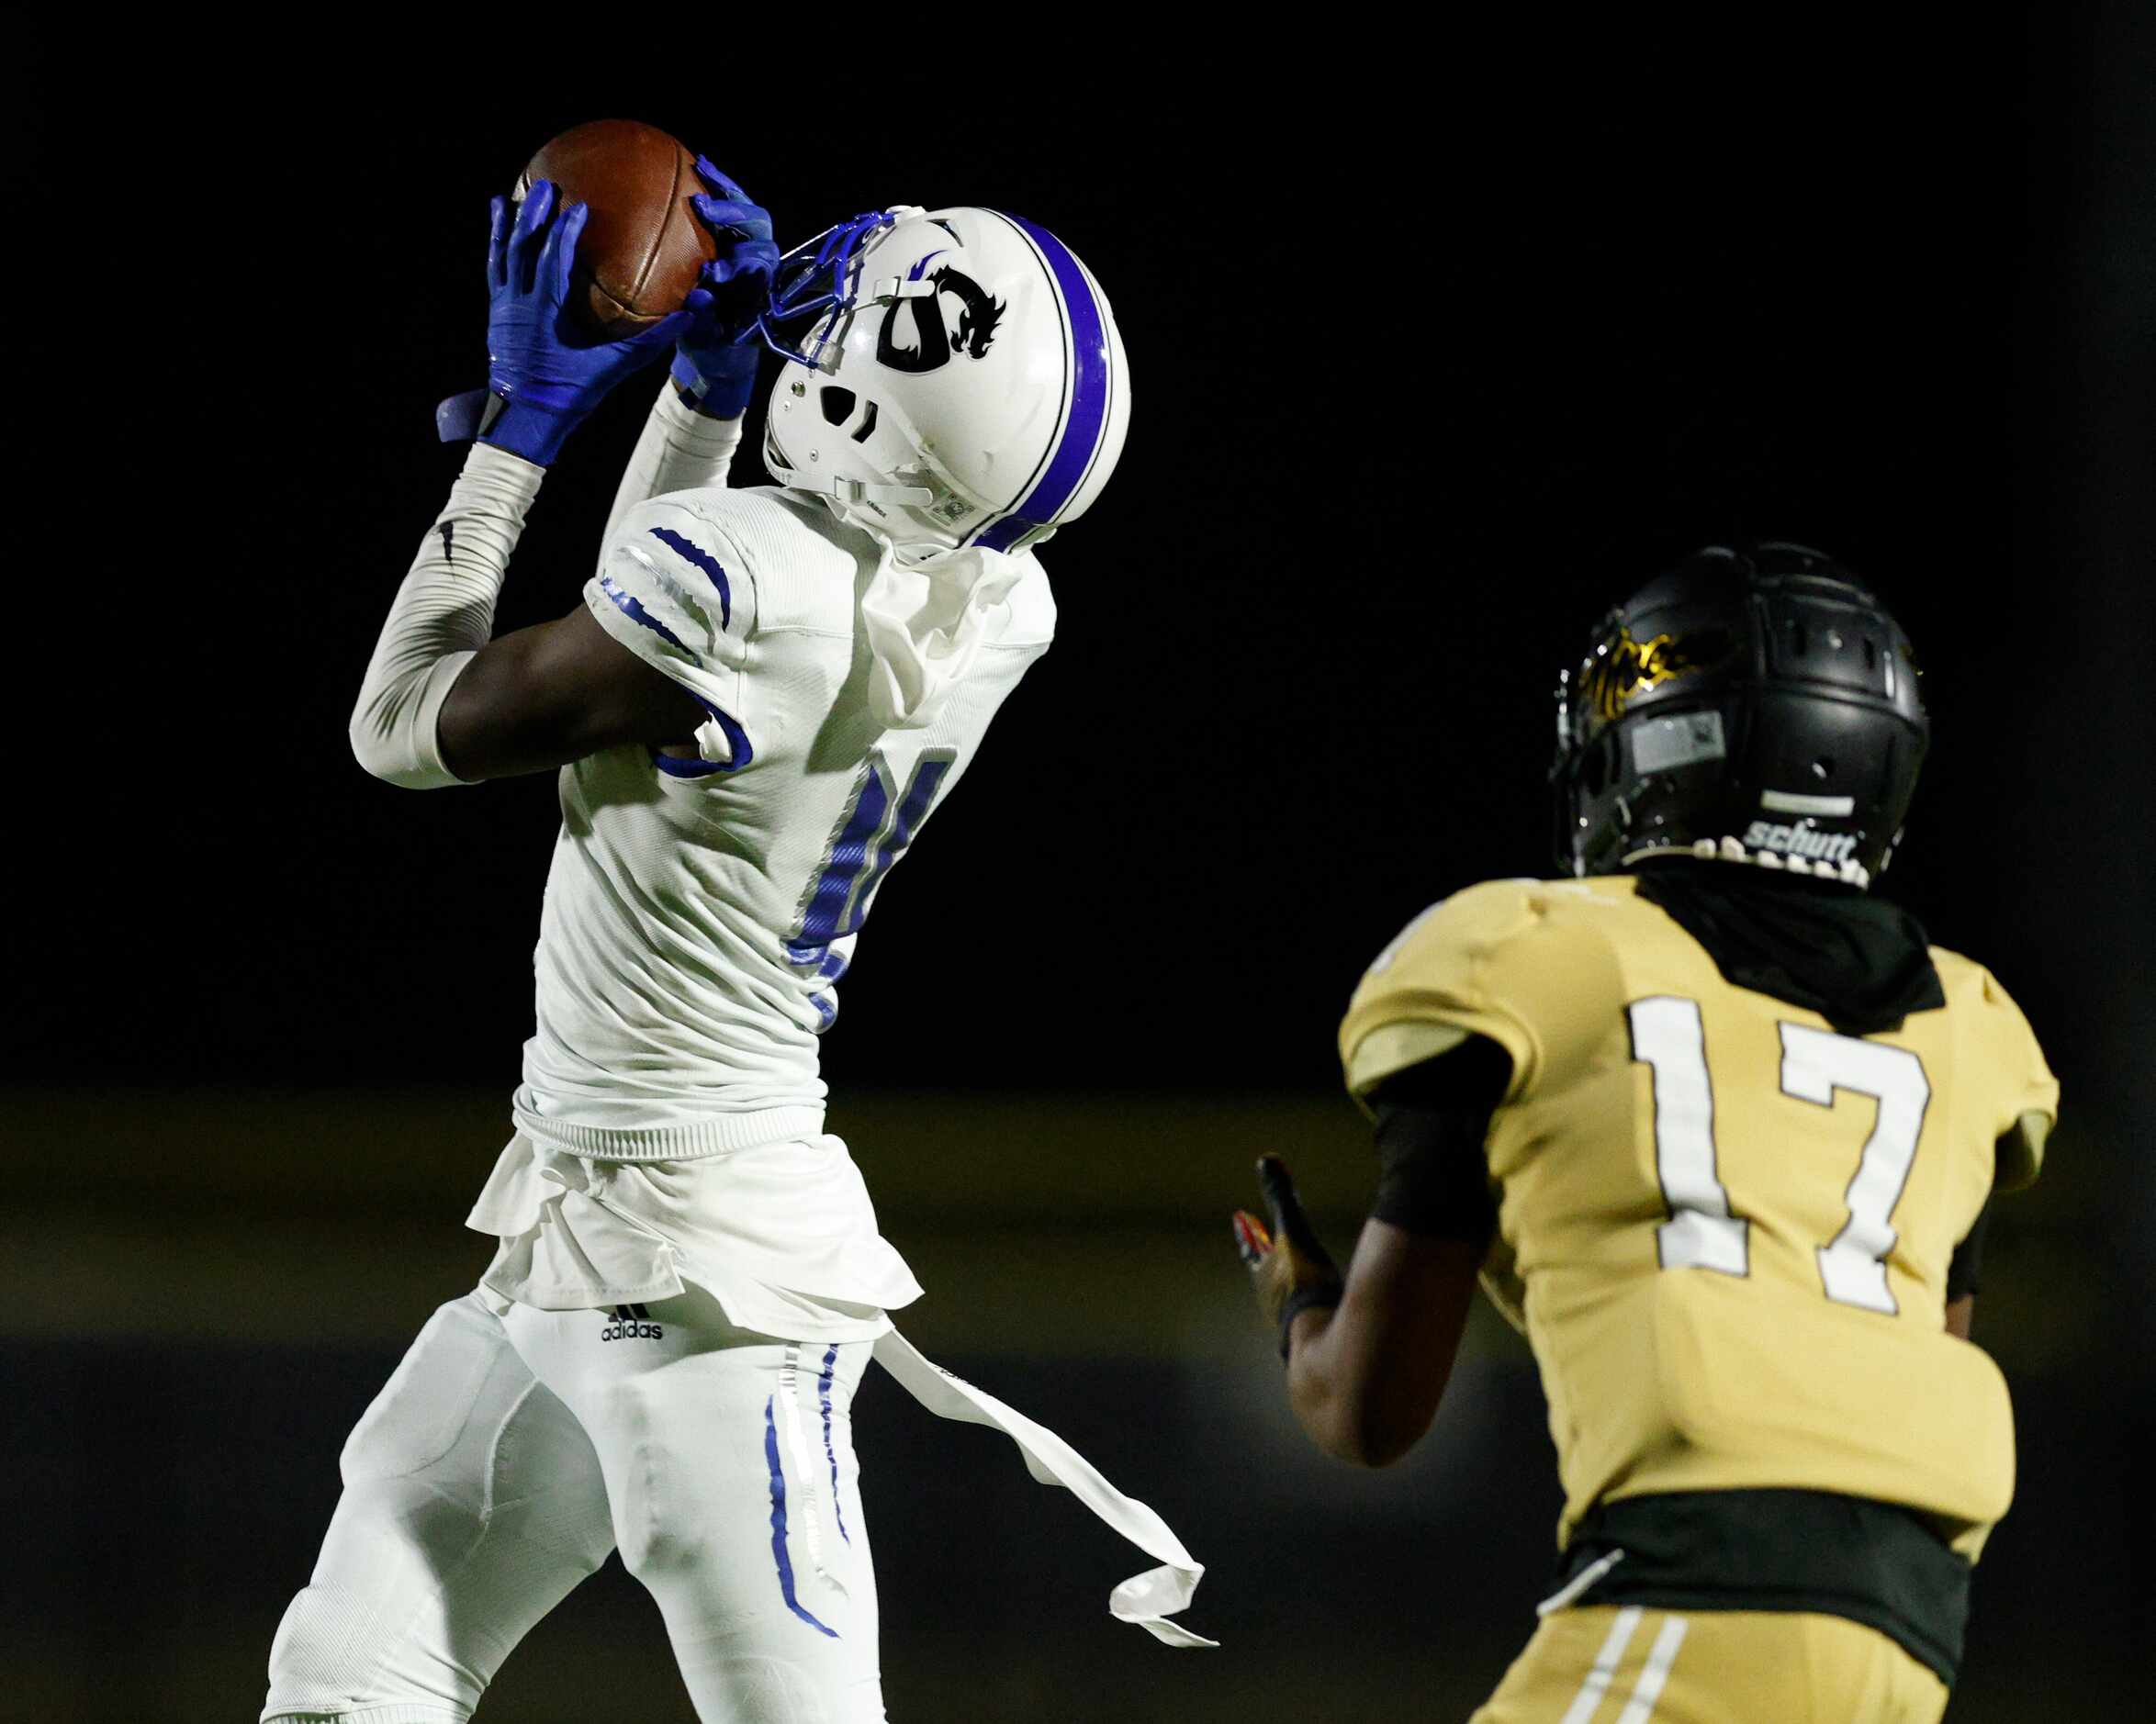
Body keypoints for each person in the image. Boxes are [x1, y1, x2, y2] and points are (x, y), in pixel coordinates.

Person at [264, 161, 1206, 1724]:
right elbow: (664, 615)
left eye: (870, 323)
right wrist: (699, 395)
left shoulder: (744, 579)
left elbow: (400, 727)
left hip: (709, 1296)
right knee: (343, 1683)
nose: (823, 323)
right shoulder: (989, 596)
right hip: (597, 1243)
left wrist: (522, 428)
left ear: (889, 415)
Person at [1233, 544, 2056, 1722]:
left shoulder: (1537, 958)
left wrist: (1295, 1305)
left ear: (1652, 748)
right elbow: (1901, 1344)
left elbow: (1365, 1412)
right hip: (1911, 1637)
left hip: (1692, 1586)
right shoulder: (1970, 1028)